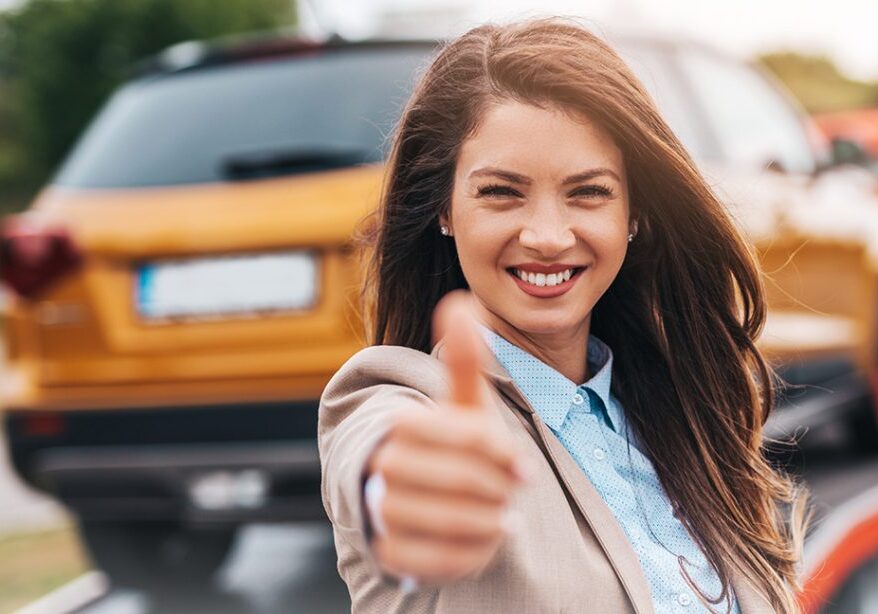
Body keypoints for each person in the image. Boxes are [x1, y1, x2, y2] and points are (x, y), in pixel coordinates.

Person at [318, 17, 807, 614]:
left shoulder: (683, 416)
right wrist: (407, 493)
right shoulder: (402, 399)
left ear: (634, 214)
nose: (548, 237)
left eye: (589, 192)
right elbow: (378, 462)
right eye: (501, 192)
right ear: (443, 210)